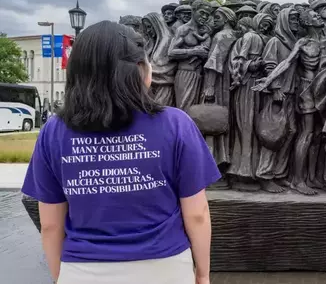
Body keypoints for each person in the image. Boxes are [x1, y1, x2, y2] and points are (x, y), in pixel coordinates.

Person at [21, 21, 220, 284]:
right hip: (165, 268)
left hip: (84, 270)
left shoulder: (54, 131)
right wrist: (203, 274)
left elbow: (50, 225)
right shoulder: (176, 124)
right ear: (140, 69)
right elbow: (197, 214)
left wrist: (62, 276)